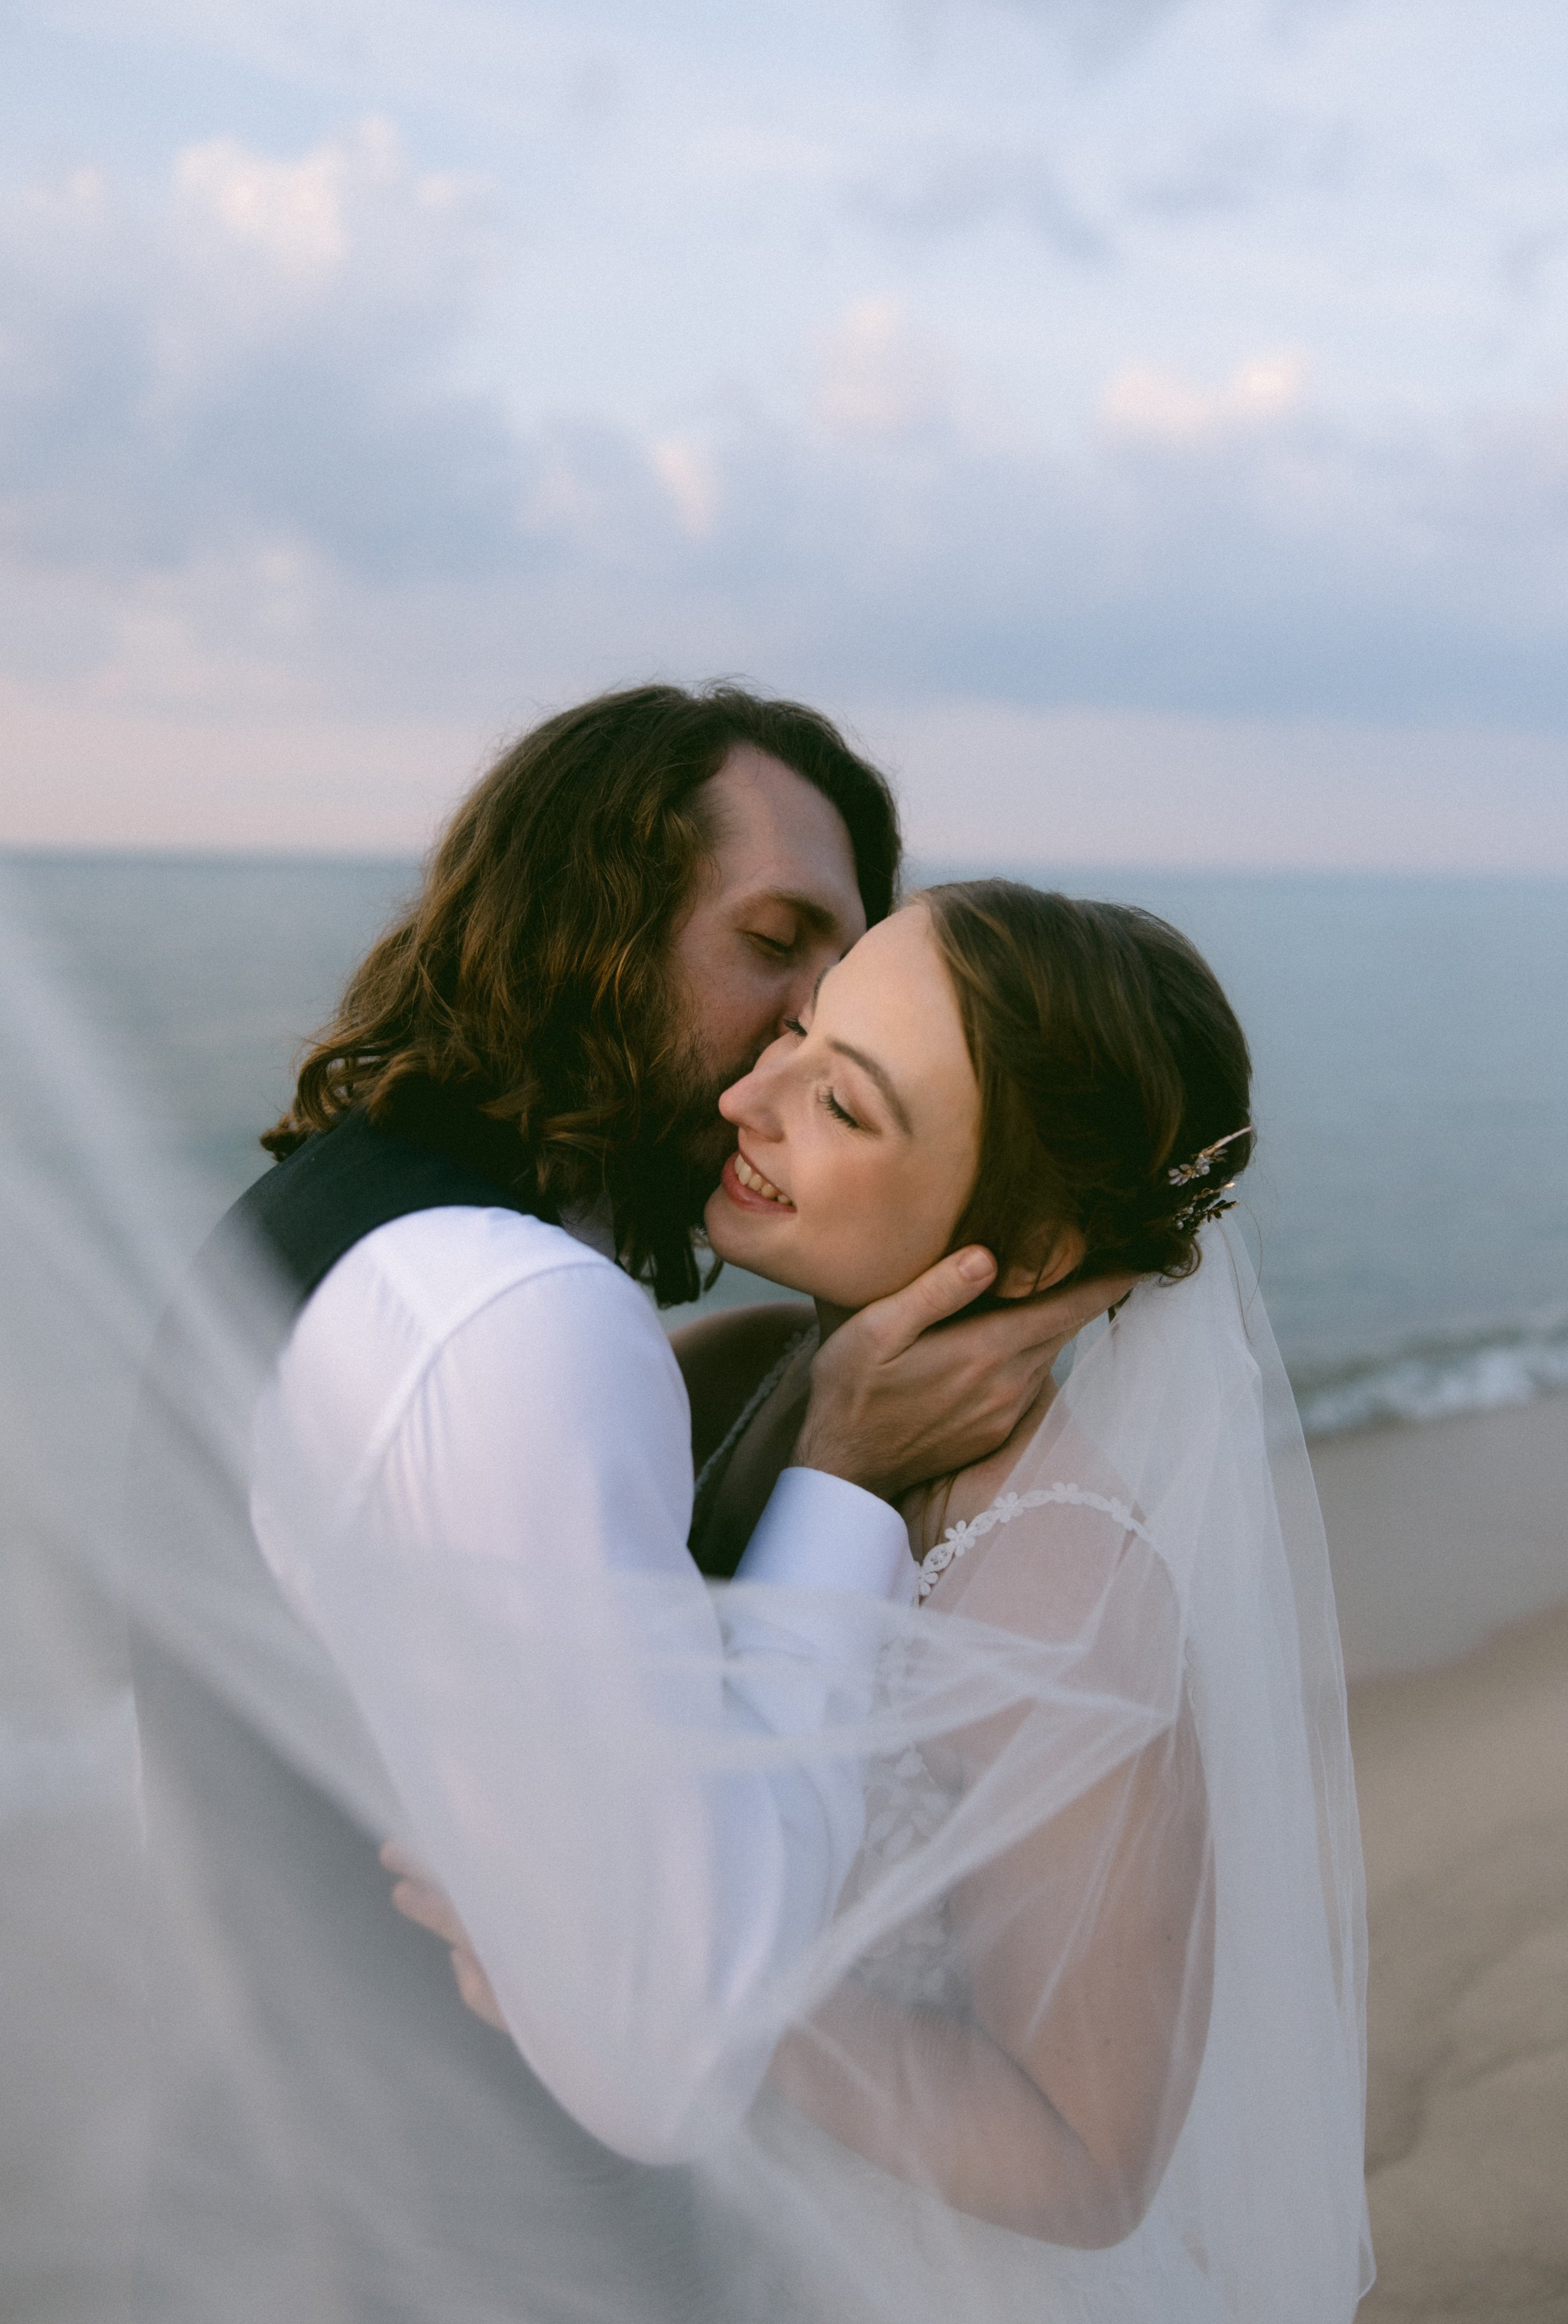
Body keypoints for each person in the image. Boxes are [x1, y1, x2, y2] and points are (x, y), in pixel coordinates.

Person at [125, 687, 1123, 2324]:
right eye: (773, 944)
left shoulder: (350, 1225)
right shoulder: (510, 1311)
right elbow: (672, 2048)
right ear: (583, 931)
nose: (801, 1038)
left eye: (842, 976)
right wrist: (845, 1482)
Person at [389, 881, 1373, 2321]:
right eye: (797, 1030)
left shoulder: (1052, 1573)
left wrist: (654, 1954)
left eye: (842, 1107)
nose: (743, 1093)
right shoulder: (748, 1374)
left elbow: (1086, 2162)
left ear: (1027, 1256)